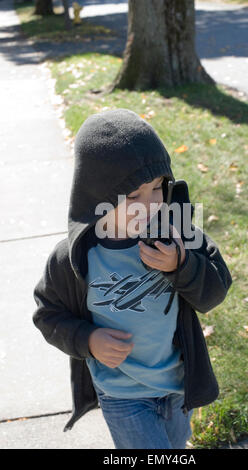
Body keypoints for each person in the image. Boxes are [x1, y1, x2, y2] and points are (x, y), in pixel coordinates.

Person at [32, 108, 233, 449]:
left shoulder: (176, 235)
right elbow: (47, 314)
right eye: (133, 196)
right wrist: (89, 339)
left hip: (176, 386)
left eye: (157, 187)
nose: (151, 204)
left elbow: (214, 291)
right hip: (122, 394)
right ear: (98, 195)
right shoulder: (75, 257)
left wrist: (181, 264)